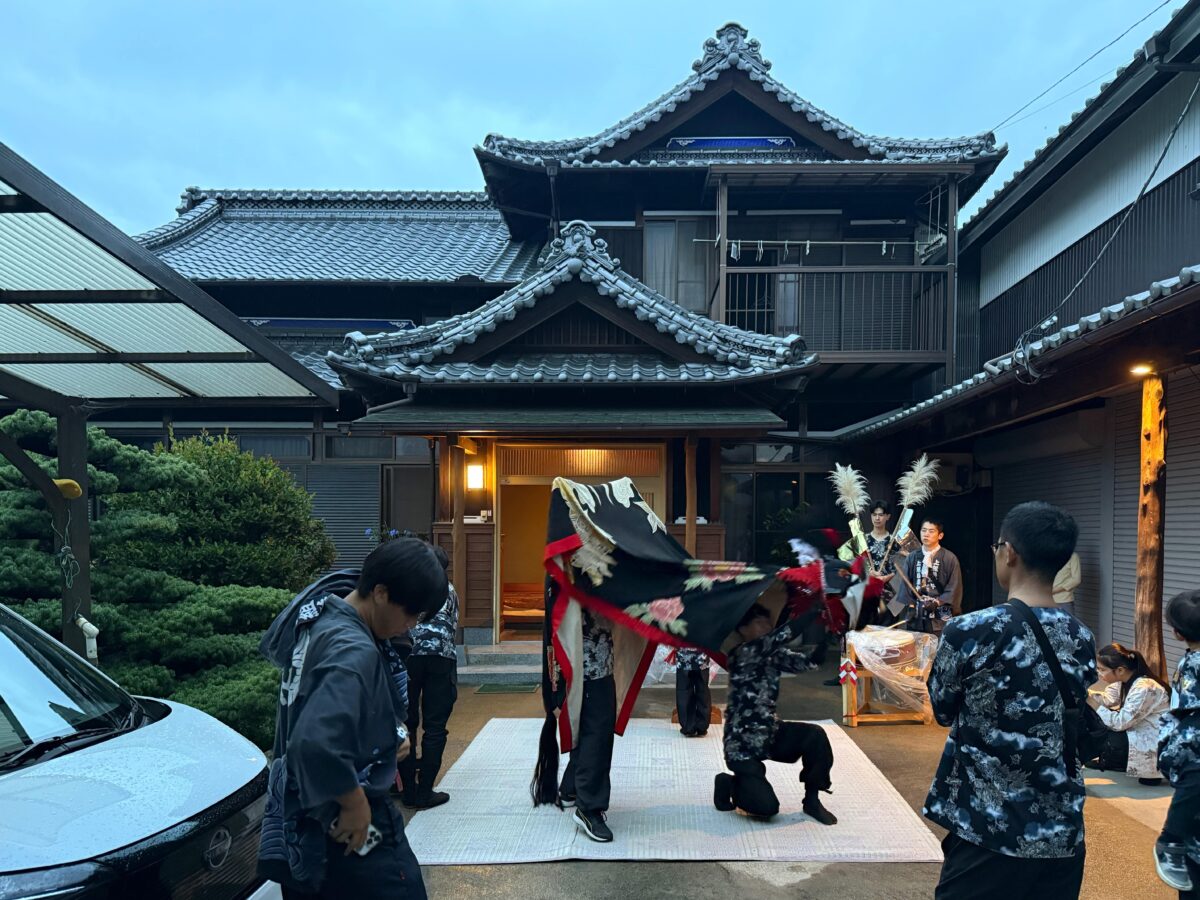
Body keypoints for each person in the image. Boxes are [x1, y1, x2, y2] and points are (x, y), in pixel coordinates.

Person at [257, 537, 448, 900]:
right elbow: (314, 741)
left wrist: (388, 734)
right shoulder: (353, 649)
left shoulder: (319, 615)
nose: (410, 626)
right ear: (379, 592)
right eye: (410, 613)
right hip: (347, 819)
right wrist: (353, 803)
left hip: (302, 817)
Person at [924, 501, 1097, 899]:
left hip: (988, 828)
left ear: (1009, 553)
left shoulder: (969, 631)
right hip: (1062, 829)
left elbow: (942, 709)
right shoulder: (1081, 636)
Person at [712, 603, 837, 826]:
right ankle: (729, 784)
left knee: (814, 735)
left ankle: (812, 799)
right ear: (743, 629)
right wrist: (813, 612)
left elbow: (808, 663)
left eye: (768, 622)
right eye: (760, 623)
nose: (767, 627)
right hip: (742, 745)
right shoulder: (743, 653)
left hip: (769, 732)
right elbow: (782, 635)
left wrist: (825, 640)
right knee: (767, 808)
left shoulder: (772, 653)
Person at [397, 546, 460, 810]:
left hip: (409, 656)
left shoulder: (407, 586)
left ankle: (408, 791)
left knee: (407, 721)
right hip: (441, 658)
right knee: (435, 726)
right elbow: (453, 625)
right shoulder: (450, 589)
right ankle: (425, 792)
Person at [558, 607, 617, 843]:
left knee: (586, 727)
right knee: (597, 733)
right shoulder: (575, 574)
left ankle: (572, 785)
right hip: (589, 663)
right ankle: (588, 807)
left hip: (591, 659)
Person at [1155, 590, 1200, 894]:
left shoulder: (1192, 665)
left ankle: (1169, 840)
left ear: (1176, 633)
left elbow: (1189, 717)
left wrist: (1169, 757)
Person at [1083, 643, 1169, 784]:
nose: (1098, 673)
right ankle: (1115, 760)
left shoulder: (1145, 687)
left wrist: (1092, 703)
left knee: (1102, 732)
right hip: (1137, 733)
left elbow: (1120, 723)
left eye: (1102, 669)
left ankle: (1119, 762)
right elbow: (1108, 699)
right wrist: (1085, 694)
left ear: (1120, 670)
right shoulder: (1124, 680)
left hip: (1154, 743)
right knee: (1091, 714)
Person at [889, 517, 962, 633]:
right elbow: (906, 586)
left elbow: (954, 587)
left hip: (940, 617)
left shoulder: (949, 558)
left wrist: (937, 602)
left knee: (937, 647)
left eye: (931, 531)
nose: (926, 534)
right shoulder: (912, 557)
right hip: (917, 615)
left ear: (940, 536)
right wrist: (911, 607)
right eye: (923, 530)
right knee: (916, 648)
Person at [675, 647, 711, 737]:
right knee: (702, 689)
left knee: (684, 690)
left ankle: (688, 727)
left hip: (683, 652)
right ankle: (702, 726)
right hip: (702, 651)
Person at [1053, 552, 1082, 617]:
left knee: (1069, 626)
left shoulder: (1073, 556)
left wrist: (1055, 590)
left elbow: (1076, 580)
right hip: (1045, 600)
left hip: (1064, 600)